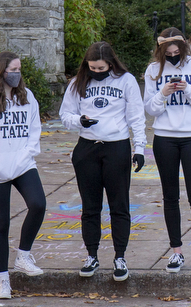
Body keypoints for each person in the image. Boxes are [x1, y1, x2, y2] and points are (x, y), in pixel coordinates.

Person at [59, 41, 145, 281]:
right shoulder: (78, 83)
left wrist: (139, 148)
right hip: (87, 148)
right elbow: (65, 114)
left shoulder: (125, 81)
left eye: (101, 68)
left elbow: (136, 116)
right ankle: (92, 255)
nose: (97, 72)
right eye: (92, 68)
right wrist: (79, 121)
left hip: (116, 146)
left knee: (119, 205)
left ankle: (120, 257)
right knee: (90, 206)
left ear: (110, 64)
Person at [0, 51, 45, 300]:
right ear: (1, 71)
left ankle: (23, 256)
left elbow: (35, 131)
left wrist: (25, 157)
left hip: (23, 164)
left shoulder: (27, 96)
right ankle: (3, 280)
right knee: (1, 224)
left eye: (19, 69)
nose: (17, 74)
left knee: (38, 204)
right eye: (13, 69)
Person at [143, 27, 191, 274]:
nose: (173, 57)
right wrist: (163, 94)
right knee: (170, 196)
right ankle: (176, 252)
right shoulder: (154, 71)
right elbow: (150, 109)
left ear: (184, 48)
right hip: (164, 138)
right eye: (168, 53)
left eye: (177, 52)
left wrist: (188, 89)